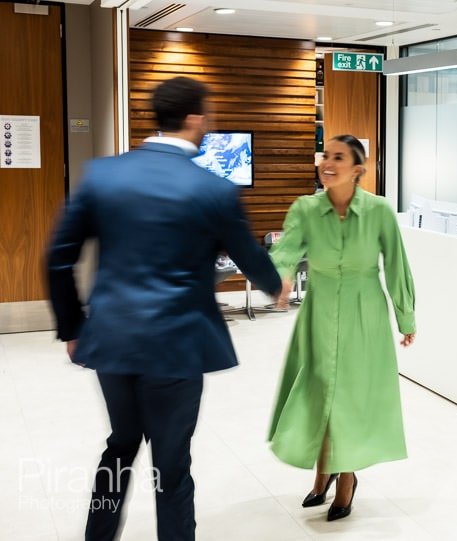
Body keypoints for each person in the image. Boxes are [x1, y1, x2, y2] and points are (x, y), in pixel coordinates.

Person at [47, 76, 283, 541]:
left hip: (113, 339)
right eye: (207, 116)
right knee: (171, 464)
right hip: (177, 347)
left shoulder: (102, 175)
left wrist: (73, 328)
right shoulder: (213, 189)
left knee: (120, 444)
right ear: (194, 118)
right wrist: (274, 283)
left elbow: (59, 256)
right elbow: (247, 255)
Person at [268, 134, 416, 522]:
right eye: (324, 156)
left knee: (348, 396)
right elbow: (285, 251)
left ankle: (344, 477)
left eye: (338, 157)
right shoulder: (304, 208)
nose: (327, 163)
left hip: (364, 312)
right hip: (318, 310)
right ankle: (325, 469)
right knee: (319, 391)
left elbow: (397, 263)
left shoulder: (380, 211)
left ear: (358, 170)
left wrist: (406, 316)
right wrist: (280, 276)